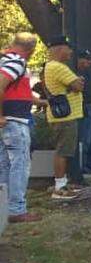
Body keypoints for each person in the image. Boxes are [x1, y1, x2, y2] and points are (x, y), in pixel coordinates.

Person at [0, 33, 41, 222]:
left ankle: (5, 208)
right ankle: (16, 210)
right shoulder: (16, 62)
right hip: (13, 120)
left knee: (5, 164)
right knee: (20, 164)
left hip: (8, 120)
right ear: (30, 49)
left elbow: (16, 91)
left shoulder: (5, 59)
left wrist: (43, 102)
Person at [43, 37, 85, 201]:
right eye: (68, 48)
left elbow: (75, 84)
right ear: (60, 49)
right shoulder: (58, 67)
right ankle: (59, 188)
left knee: (64, 150)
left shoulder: (51, 67)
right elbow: (78, 86)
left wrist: (74, 83)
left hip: (63, 116)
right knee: (63, 151)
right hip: (65, 117)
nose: (71, 52)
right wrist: (77, 82)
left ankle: (63, 183)